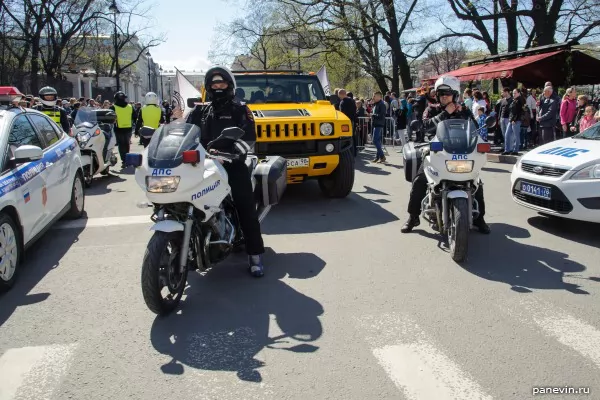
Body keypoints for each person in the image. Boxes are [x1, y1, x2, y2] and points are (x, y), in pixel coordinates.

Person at [185, 66, 267, 277]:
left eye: (221, 83)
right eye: (214, 84)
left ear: (229, 86)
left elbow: (248, 137)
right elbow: (184, 136)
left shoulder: (241, 110)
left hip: (231, 165)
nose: (218, 87)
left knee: (244, 206)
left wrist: (232, 154)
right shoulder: (199, 111)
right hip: (202, 166)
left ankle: (255, 255)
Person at [401, 75, 490, 234]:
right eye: (441, 94)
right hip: (437, 152)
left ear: (455, 94)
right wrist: (444, 114)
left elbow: (475, 130)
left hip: (462, 153)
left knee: (476, 181)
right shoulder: (432, 109)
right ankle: (413, 217)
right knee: (420, 180)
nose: (443, 97)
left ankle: (479, 218)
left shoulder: (464, 111)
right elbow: (424, 126)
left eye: (447, 94)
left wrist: (465, 116)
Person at [110, 91, 135, 169]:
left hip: (118, 128)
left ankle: (124, 161)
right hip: (128, 128)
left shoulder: (113, 107)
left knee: (121, 145)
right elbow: (135, 116)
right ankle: (127, 160)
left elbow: (110, 118)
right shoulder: (130, 106)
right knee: (127, 144)